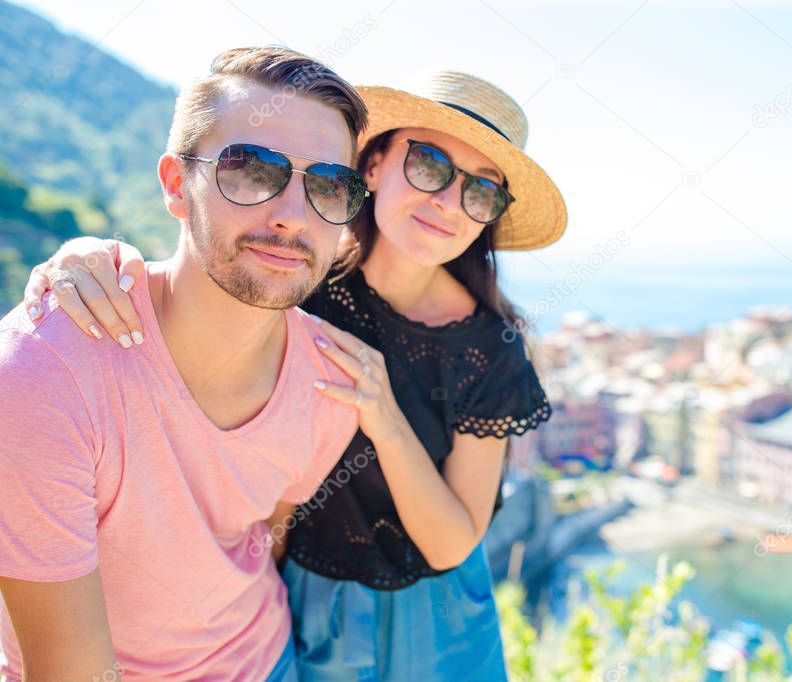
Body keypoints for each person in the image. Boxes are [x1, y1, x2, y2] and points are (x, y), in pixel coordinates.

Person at [22, 70, 567, 681]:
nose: (448, 201)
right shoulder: (296, 279)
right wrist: (83, 256)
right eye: (431, 164)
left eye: (481, 191)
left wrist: (384, 418)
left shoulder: (488, 349)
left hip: (430, 616)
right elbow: (196, 274)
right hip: (300, 597)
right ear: (375, 166)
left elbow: (451, 544)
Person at [0, 46, 368, 681]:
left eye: (330, 186)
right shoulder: (46, 370)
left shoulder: (331, 381)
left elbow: (263, 538)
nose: (291, 214)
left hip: (271, 661)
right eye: (253, 169)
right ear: (175, 184)